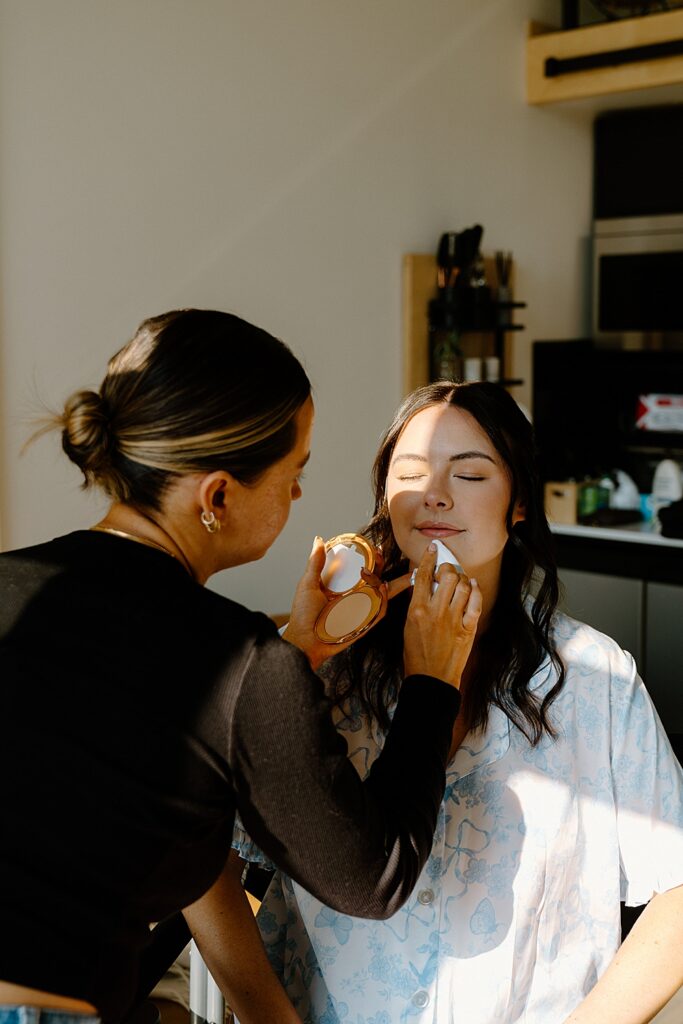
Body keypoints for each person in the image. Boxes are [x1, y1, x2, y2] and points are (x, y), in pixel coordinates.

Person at [0, 312, 483, 1024]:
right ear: (218, 496)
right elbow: (372, 879)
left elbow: (128, 725)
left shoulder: (22, 586)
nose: (295, 498)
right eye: (293, 476)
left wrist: (296, 649)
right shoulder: (237, 662)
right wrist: (431, 682)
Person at [223, 380, 683, 1024]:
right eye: (409, 473)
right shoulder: (321, 671)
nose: (434, 493)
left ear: (519, 502)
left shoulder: (593, 676)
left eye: (468, 474)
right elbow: (207, 852)